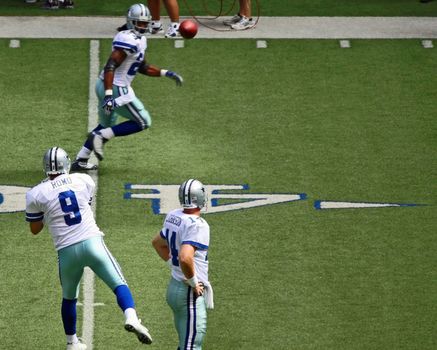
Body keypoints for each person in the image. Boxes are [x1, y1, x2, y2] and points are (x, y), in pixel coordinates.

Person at [25, 147, 153, 350]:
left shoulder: (35, 194)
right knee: (118, 282)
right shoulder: (82, 180)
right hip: (92, 242)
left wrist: (46, 214)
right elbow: (85, 203)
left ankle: (72, 342)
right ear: (66, 164)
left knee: (69, 297)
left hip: (66, 252)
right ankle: (131, 317)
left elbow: (35, 229)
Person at [71, 3, 183, 171]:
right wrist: (109, 96)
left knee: (105, 124)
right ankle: (100, 137)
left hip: (104, 85)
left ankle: (81, 158)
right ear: (131, 22)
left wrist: (165, 73)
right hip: (116, 88)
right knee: (143, 121)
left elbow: (142, 66)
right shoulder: (128, 39)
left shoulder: (138, 39)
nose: (143, 26)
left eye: (146, 23)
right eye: (140, 23)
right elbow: (111, 66)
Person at [152, 179, 214, 350]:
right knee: (192, 346)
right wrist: (194, 282)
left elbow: (157, 243)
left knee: (186, 344)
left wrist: (176, 269)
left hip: (174, 287)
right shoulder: (198, 225)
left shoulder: (174, 215)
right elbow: (185, 257)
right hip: (188, 293)